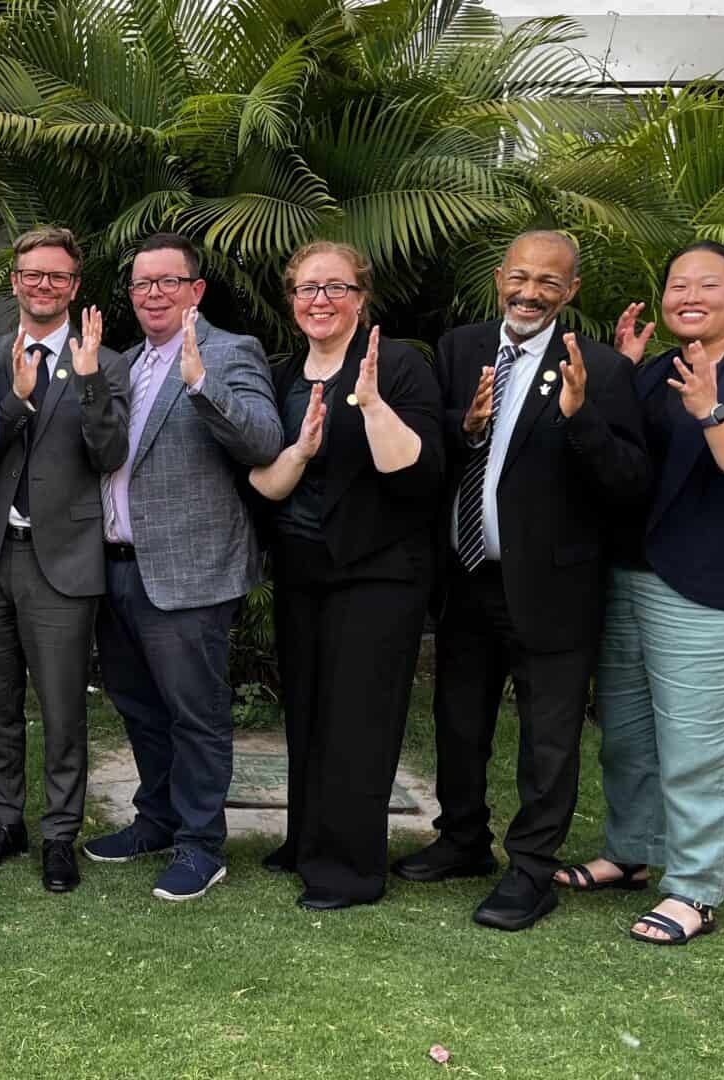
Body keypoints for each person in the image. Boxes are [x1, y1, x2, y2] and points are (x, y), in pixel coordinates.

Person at [393, 231, 649, 932]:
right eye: (521, 276)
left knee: (548, 737)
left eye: (549, 282)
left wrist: (580, 417)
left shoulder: (598, 368)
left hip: (554, 588)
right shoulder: (459, 349)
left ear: (570, 293)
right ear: (500, 276)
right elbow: (434, 449)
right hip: (468, 577)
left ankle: (531, 871)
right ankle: (463, 839)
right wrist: (465, 426)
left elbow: (630, 482)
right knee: (459, 718)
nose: (530, 292)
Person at [558, 241, 724, 945]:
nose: (689, 296)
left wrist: (712, 411)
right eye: (676, 285)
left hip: (713, 590)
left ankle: (694, 888)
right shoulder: (661, 368)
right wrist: (623, 371)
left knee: (701, 747)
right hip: (633, 576)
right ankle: (632, 853)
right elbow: (619, 457)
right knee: (629, 738)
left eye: (707, 285)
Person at [83, 232, 282, 902]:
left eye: (169, 281)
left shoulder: (230, 353)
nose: (155, 294)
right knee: (140, 708)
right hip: (117, 566)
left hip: (190, 573)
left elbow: (262, 439)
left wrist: (200, 383)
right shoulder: (127, 361)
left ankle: (202, 844)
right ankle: (159, 819)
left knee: (195, 714)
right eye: (143, 284)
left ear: (196, 290)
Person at [244, 241, 441, 911]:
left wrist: (373, 403)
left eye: (335, 288)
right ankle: (306, 840)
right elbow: (265, 482)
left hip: (380, 571)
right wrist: (299, 449)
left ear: (362, 296)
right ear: (291, 300)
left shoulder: (400, 367)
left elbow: (416, 472)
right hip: (303, 566)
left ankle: (349, 870)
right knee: (307, 711)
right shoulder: (279, 375)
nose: (320, 300)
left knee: (358, 719)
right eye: (307, 288)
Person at [0, 226, 127, 894]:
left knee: (62, 710)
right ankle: (6, 822)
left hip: (63, 561)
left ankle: (60, 833)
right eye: (32, 274)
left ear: (74, 285)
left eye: (57, 276)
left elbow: (109, 456)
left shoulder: (104, 362)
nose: (43, 285)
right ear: (16, 281)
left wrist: (85, 383)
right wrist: (17, 397)